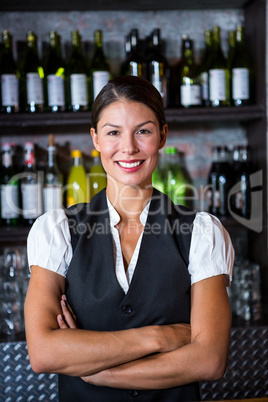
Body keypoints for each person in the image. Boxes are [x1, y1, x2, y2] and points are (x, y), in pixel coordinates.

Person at [24, 75, 234, 402]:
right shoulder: (57, 230)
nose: (128, 147)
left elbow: (209, 361)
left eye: (143, 131)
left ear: (163, 135)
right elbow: (43, 353)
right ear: (94, 139)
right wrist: (159, 338)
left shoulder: (202, 232)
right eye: (113, 133)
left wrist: (99, 371)